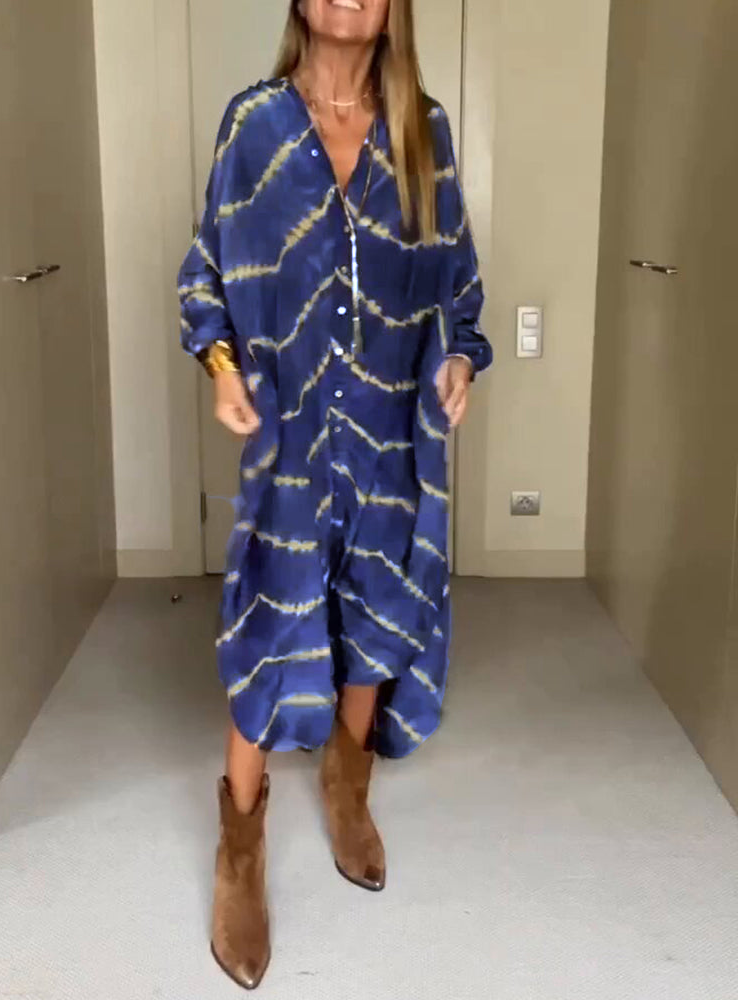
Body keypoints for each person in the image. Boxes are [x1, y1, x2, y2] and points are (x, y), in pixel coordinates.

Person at [178, 0, 492, 988]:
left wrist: (459, 358)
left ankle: (347, 782)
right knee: (270, 616)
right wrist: (222, 367)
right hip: (291, 430)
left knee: (376, 601)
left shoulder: (423, 129)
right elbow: (206, 273)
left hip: (392, 424)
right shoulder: (255, 125)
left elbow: (456, 280)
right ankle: (240, 844)